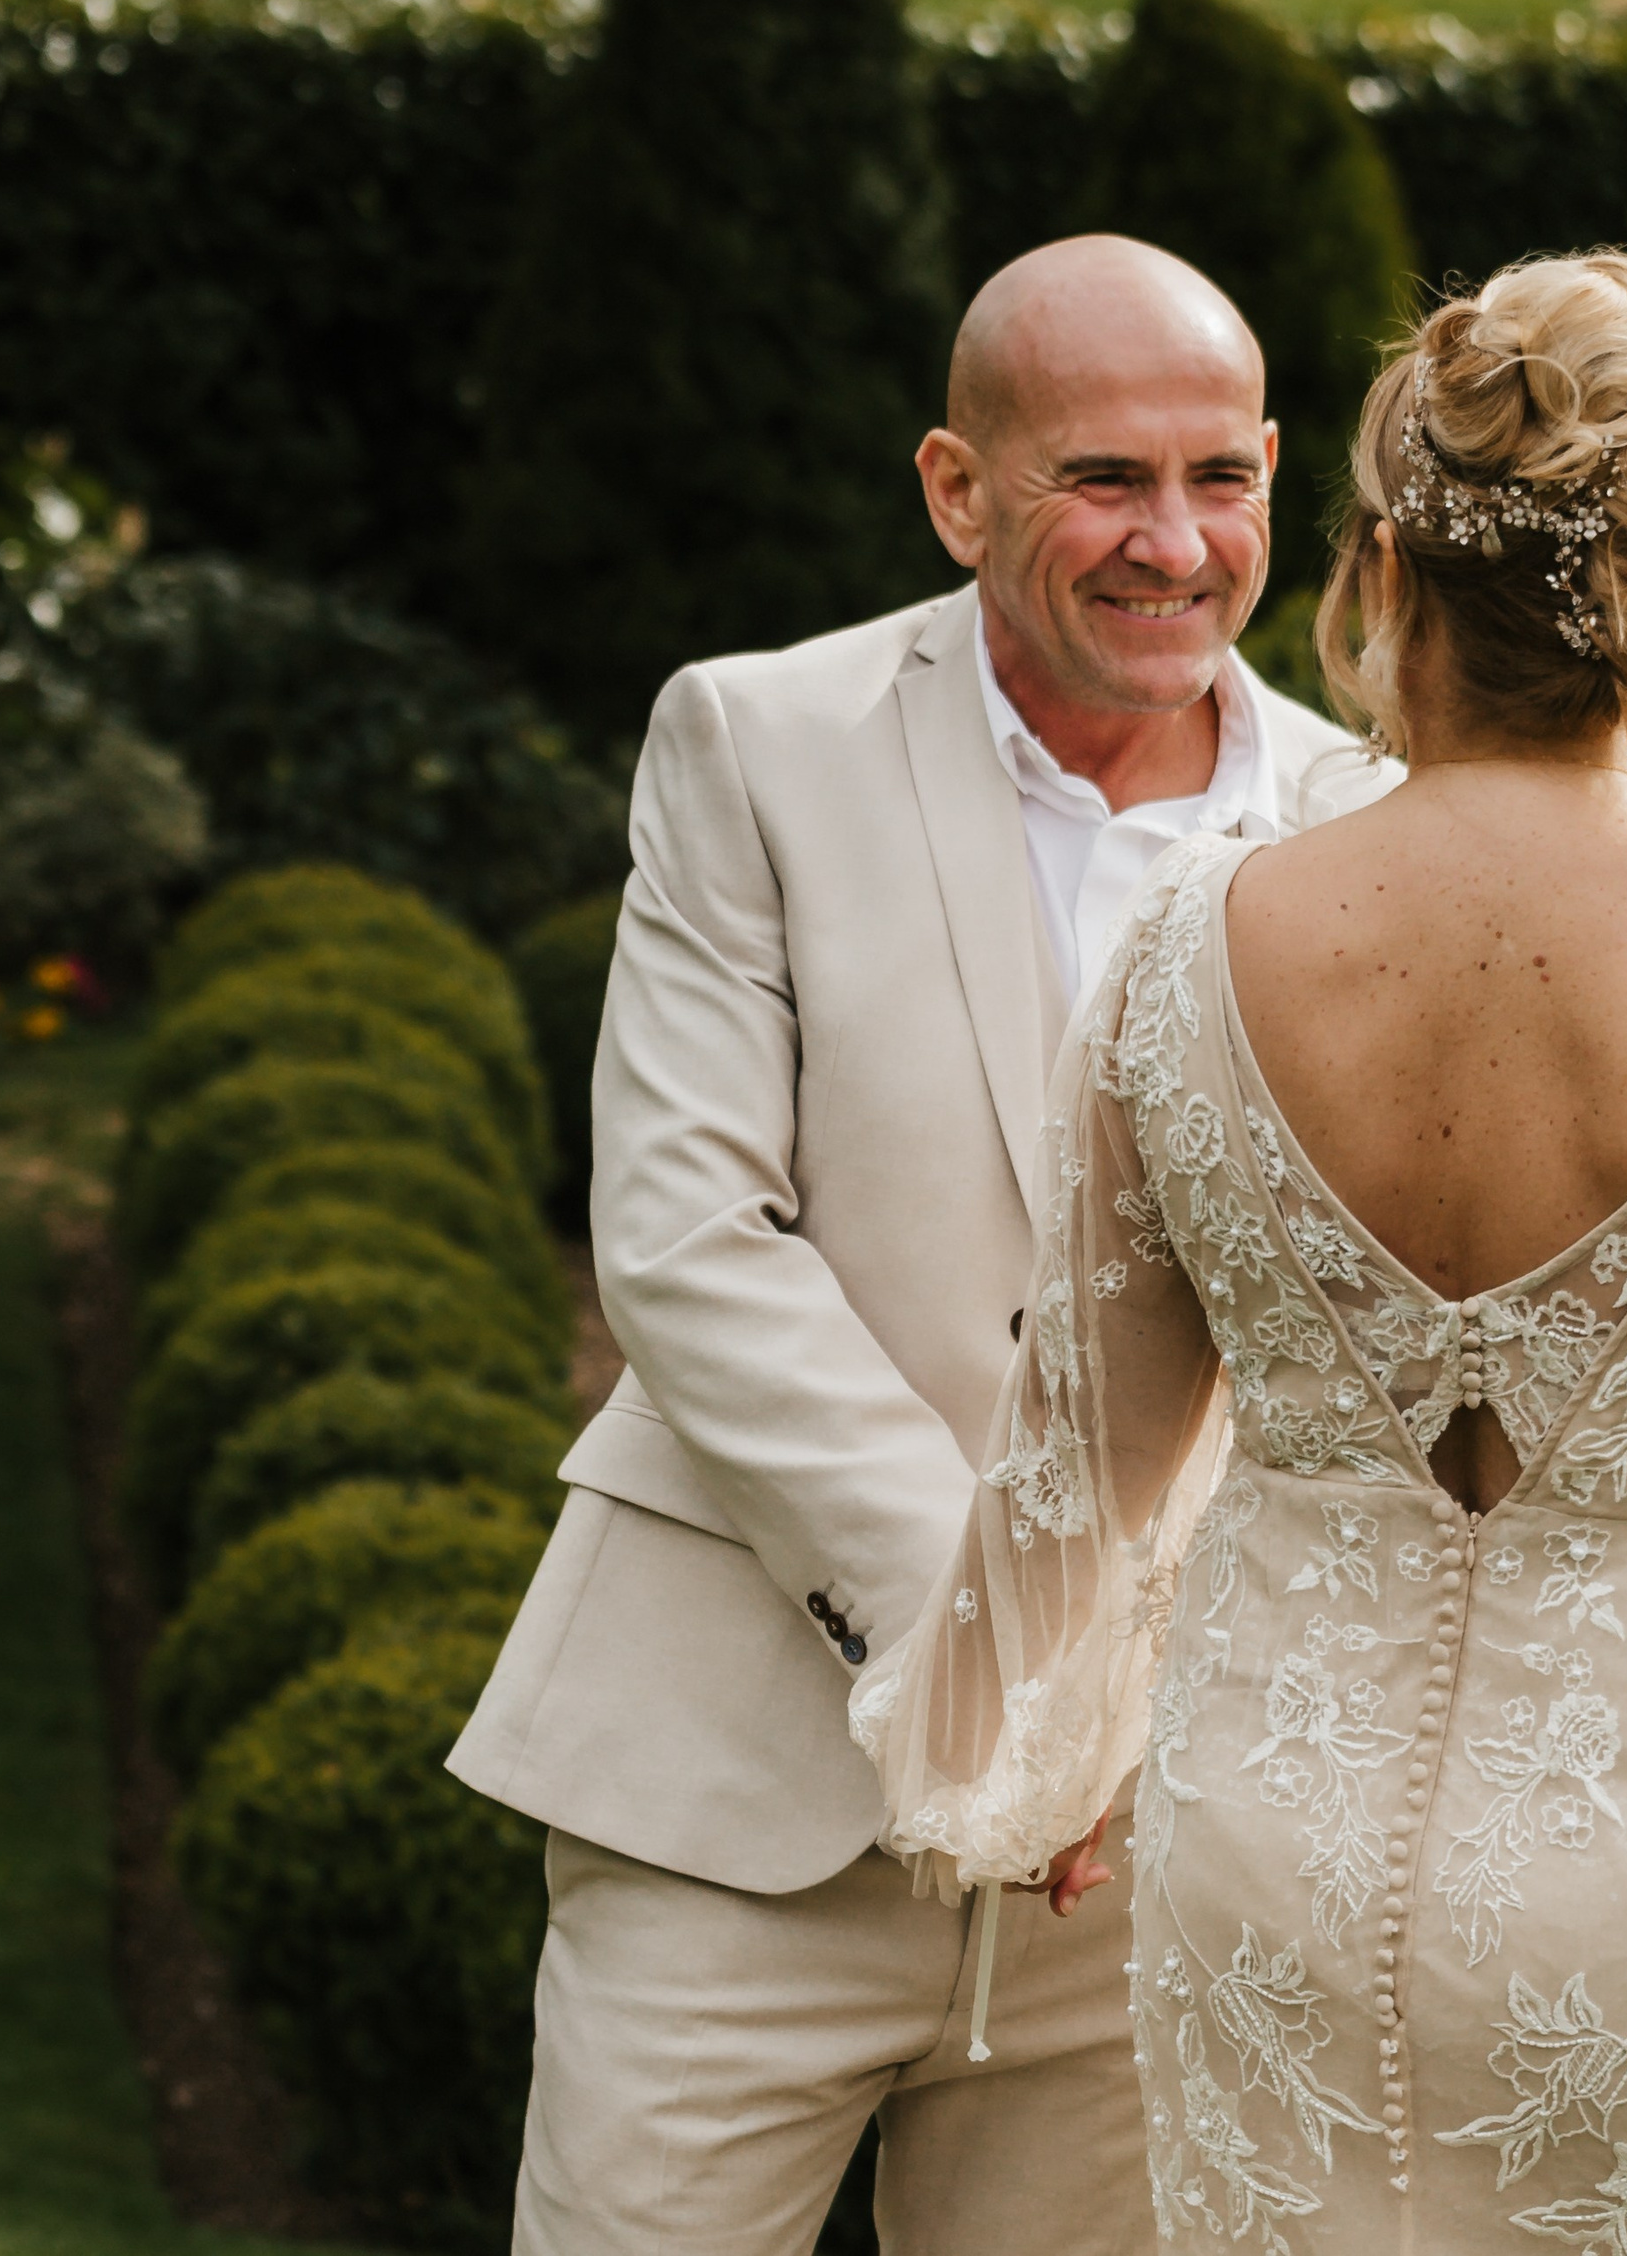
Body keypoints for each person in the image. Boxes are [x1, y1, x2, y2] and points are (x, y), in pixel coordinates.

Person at [855, 250, 1627, 2256]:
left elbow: (1083, 1469)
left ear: (1380, 567)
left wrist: (997, 1769)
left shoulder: (1187, 953)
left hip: (1282, 1872)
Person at [448, 235, 1391, 2256]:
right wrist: (1003, 1670)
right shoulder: (752, 740)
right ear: (958, 487)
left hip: (1151, 1861)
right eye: (1101, 479)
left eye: (1217, 477)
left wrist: (1122, 1725)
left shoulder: (1370, 825)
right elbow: (691, 1237)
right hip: (743, 1800)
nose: (1173, 542)